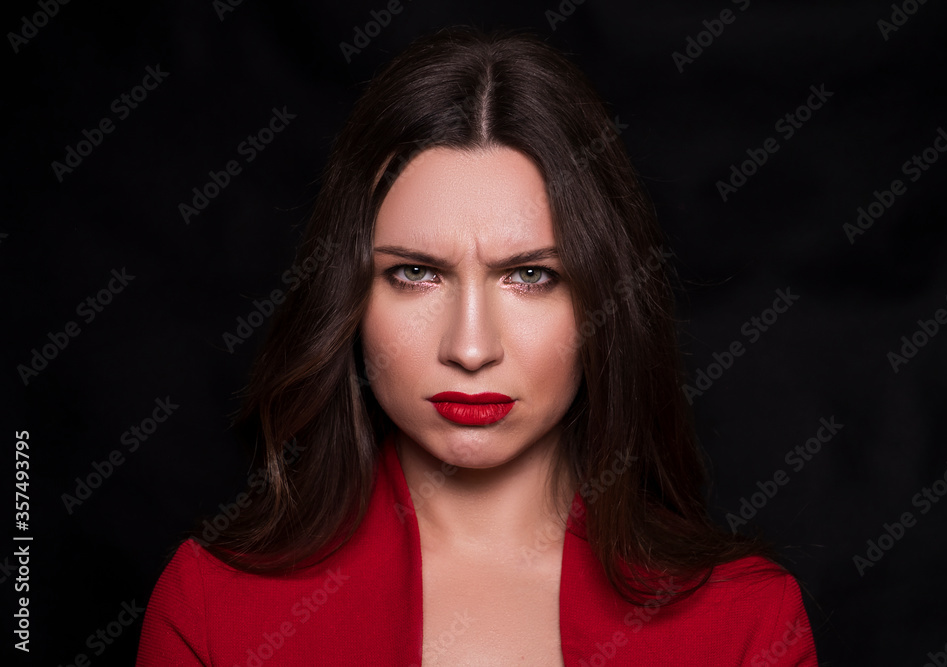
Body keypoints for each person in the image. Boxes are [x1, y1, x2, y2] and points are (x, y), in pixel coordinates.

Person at [137, 26, 818, 666]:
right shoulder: (212, 607)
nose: (470, 347)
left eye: (530, 275)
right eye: (415, 273)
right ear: (346, 296)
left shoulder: (745, 622)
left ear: (605, 302)